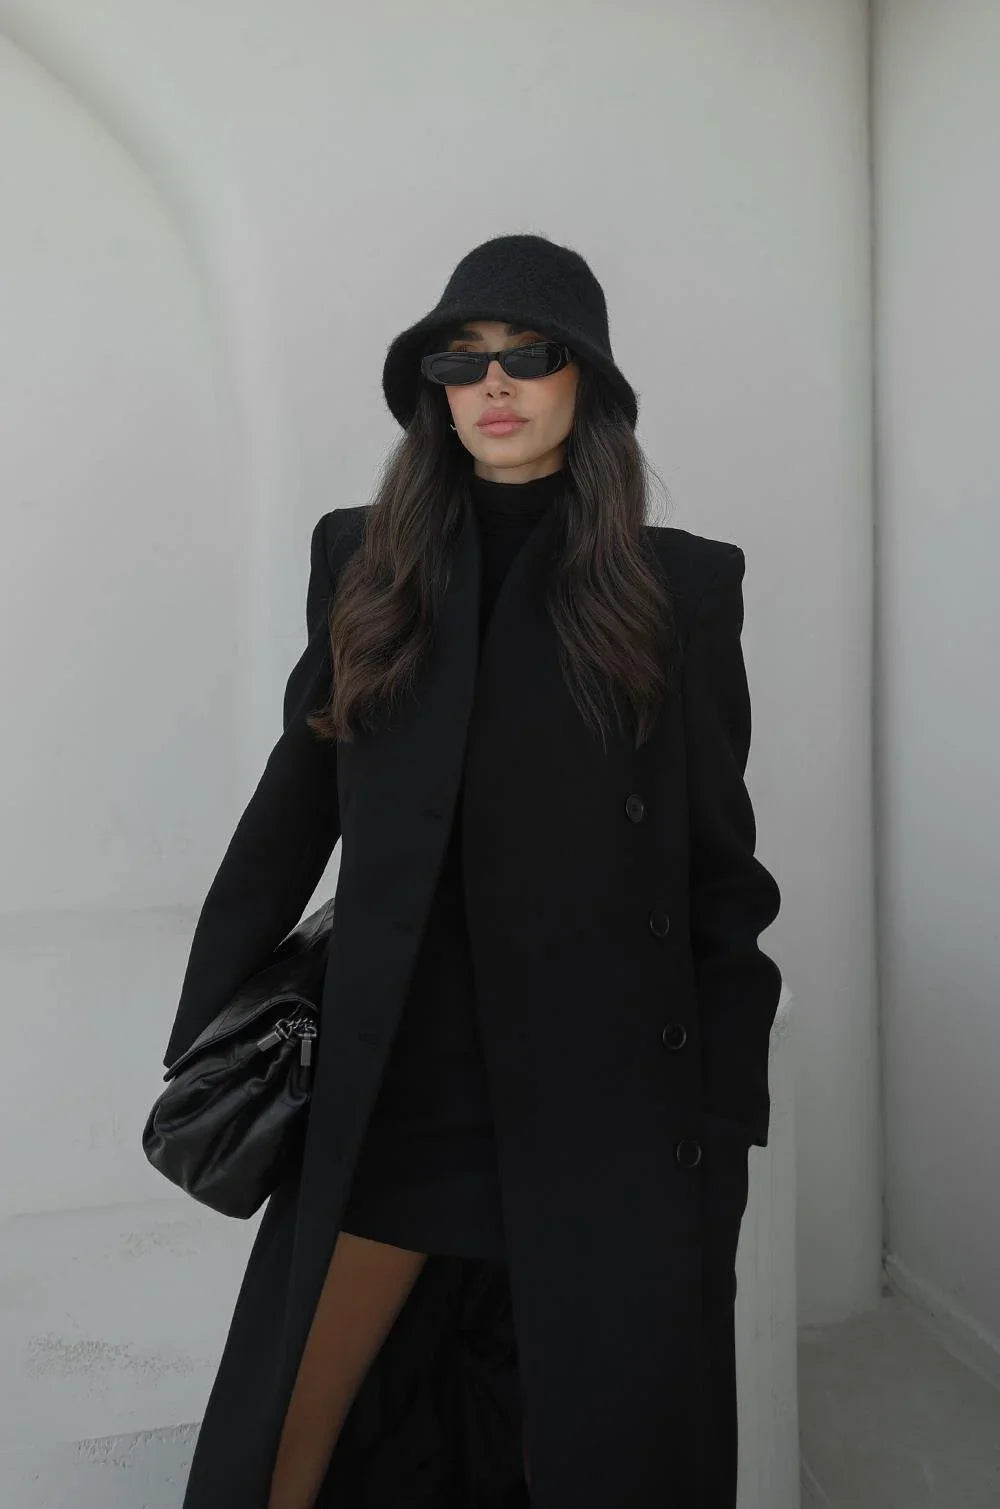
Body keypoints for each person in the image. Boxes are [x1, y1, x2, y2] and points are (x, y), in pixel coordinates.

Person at [163, 232, 783, 1509]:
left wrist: (722, 1116)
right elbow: (294, 807)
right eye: (461, 359)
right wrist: (208, 1040)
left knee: (596, 1447)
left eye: (527, 354)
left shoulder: (675, 588)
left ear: (585, 382)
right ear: (432, 392)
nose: (492, 383)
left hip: (605, 1095)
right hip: (402, 1078)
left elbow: (720, 873)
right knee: (290, 1429)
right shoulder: (366, 563)